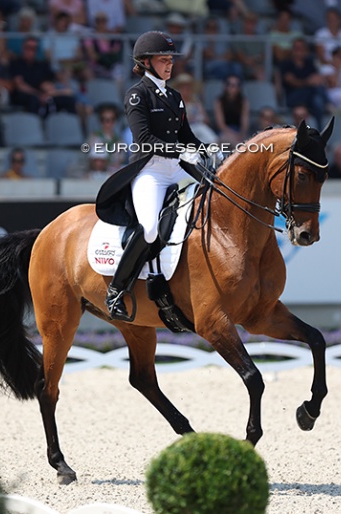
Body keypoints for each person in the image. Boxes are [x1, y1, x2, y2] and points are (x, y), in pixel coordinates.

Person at [95, 31, 220, 321]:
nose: (169, 65)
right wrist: (181, 150)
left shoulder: (174, 97)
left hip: (176, 168)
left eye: (170, 60)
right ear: (146, 62)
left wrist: (207, 149)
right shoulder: (137, 94)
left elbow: (187, 136)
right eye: (163, 60)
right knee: (149, 228)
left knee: (215, 198)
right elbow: (145, 139)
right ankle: (116, 290)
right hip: (150, 170)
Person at [280, 37, 328, 130]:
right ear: (292, 50)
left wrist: (313, 81)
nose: (299, 51)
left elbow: (317, 78)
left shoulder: (309, 63)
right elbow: (292, 81)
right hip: (293, 96)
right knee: (316, 94)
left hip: (309, 96)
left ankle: (319, 129)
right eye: (297, 48)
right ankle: (328, 105)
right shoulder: (286, 63)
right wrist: (308, 82)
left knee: (317, 100)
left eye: (301, 48)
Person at [10, 36, 57, 117]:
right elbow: (20, 85)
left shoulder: (41, 65)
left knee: (63, 100)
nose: (31, 51)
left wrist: (47, 92)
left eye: (34, 48)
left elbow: (48, 83)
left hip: (41, 94)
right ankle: (34, 126)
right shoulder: (16, 64)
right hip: (21, 95)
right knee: (34, 100)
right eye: (28, 48)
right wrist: (39, 94)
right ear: (23, 48)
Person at [171, 73, 218, 144]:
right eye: (183, 86)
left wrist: (198, 118)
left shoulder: (196, 102)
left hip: (198, 127)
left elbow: (206, 119)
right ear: (178, 88)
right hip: (182, 130)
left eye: (188, 87)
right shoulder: (174, 102)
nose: (185, 89)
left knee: (213, 140)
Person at [86, 103, 126, 177]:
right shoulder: (94, 137)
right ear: (101, 121)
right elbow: (92, 161)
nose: (108, 123)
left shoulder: (119, 140)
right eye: (105, 120)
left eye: (112, 119)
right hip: (97, 174)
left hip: (113, 174)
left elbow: (120, 159)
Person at [213, 74, 250, 147]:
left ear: (239, 88)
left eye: (235, 85)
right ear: (225, 87)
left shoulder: (243, 101)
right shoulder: (219, 101)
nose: (232, 87)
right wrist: (232, 135)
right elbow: (220, 124)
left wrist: (241, 133)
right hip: (224, 131)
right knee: (230, 141)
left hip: (238, 131)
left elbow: (245, 122)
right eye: (230, 84)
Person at [229, 13, 266, 81]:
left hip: (259, 66)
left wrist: (255, 60)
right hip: (244, 67)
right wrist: (254, 60)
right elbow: (241, 57)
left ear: (256, 24)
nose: (250, 25)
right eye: (248, 22)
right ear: (243, 23)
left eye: (252, 23)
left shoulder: (260, 39)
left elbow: (264, 55)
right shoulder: (238, 38)